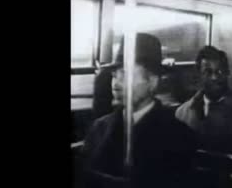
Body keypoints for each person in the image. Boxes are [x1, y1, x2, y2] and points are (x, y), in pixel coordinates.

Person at [81, 33, 197, 188]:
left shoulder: (178, 137)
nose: (116, 83)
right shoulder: (99, 128)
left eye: (125, 74)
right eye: (114, 75)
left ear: (152, 82)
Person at [175, 46, 232, 156]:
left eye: (219, 71)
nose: (214, 77)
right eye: (208, 72)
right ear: (198, 76)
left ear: (227, 73)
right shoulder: (182, 113)